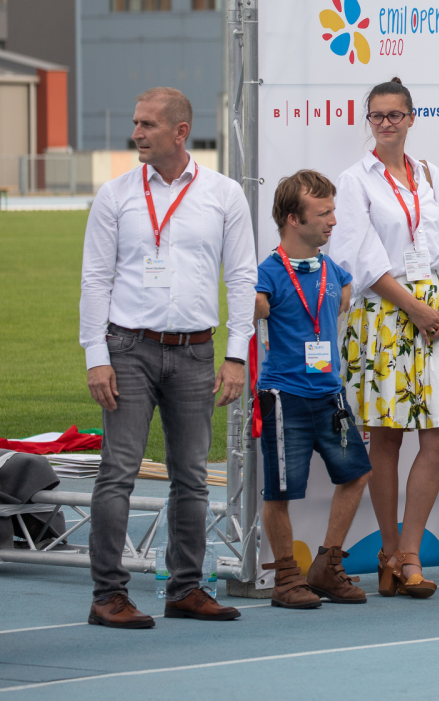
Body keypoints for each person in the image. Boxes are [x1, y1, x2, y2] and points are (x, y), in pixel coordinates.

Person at [80, 87, 252, 628]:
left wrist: (236, 355)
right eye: (136, 123)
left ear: (181, 132)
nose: (136, 133)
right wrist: (95, 355)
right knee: (118, 473)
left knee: (192, 478)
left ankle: (186, 589)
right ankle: (108, 595)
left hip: (196, 351)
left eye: (147, 124)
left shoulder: (224, 194)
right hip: (127, 348)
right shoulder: (115, 195)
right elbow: (95, 278)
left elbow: (242, 277)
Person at [330, 78, 439, 599]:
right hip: (383, 313)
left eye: (395, 114)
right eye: (377, 115)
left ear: (412, 117)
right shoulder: (354, 180)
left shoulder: (430, 174)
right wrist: (413, 307)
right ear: (368, 120)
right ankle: (390, 554)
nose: (386, 123)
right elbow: (360, 259)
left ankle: (410, 551)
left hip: (435, 313)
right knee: (386, 437)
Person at [254, 170, 371, 608]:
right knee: (280, 490)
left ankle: (326, 565)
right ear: (293, 219)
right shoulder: (267, 273)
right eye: (323, 213)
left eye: (333, 211)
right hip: (284, 396)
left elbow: (345, 289)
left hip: (330, 395)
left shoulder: (332, 270)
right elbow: (253, 307)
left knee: (356, 474)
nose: (333, 221)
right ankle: (287, 577)